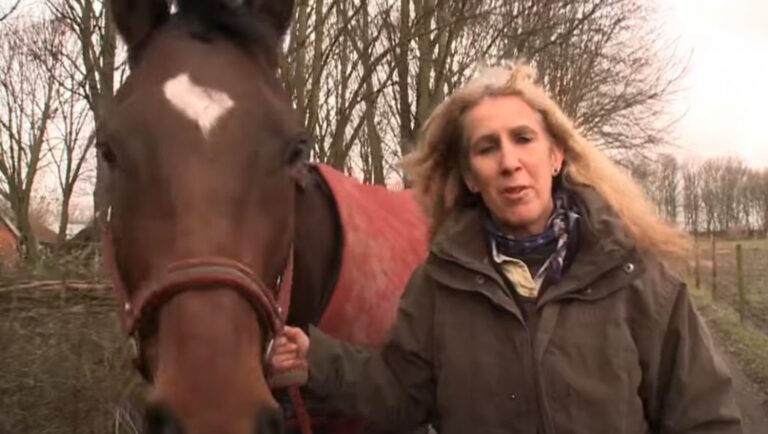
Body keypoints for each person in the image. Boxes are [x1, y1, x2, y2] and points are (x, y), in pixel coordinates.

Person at [270, 63, 742, 434]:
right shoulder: (439, 286)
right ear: (471, 177)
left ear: (555, 156)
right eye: (487, 148)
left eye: (523, 139)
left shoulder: (636, 276)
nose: (509, 162)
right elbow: (398, 394)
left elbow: (705, 417)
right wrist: (318, 358)